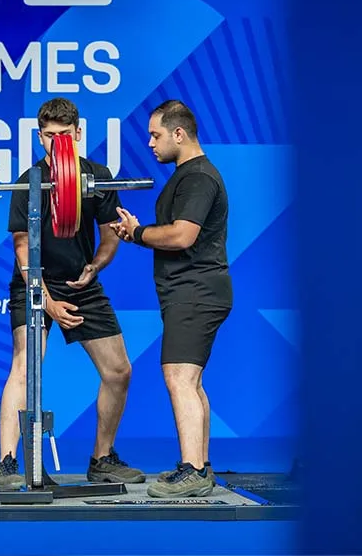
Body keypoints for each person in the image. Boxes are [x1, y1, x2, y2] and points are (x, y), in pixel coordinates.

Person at [0, 98, 145, 490]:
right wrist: (45, 299)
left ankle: (102, 458)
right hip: (34, 283)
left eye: (63, 135)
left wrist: (95, 266)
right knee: (26, 367)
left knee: (119, 371)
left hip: (81, 282)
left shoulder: (96, 175)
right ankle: (9, 465)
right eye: (48, 136)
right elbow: (23, 248)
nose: (55, 142)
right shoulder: (31, 180)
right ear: (39, 136)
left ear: (77, 134)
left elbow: (112, 231)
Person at [110, 100, 232, 498]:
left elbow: (182, 236)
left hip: (195, 292)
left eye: (156, 135)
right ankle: (201, 466)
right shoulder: (187, 175)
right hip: (193, 292)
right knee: (191, 381)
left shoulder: (197, 178)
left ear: (179, 134)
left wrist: (138, 233)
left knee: (179, 377)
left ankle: (193, 470)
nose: (149, 143)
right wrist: (138, 232)